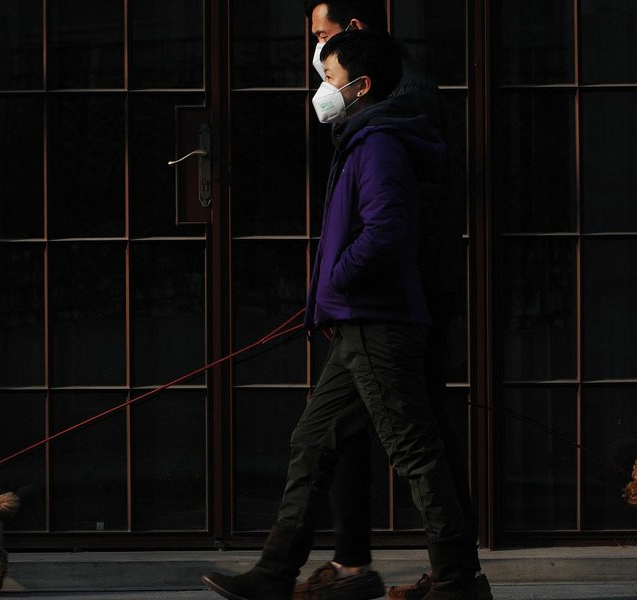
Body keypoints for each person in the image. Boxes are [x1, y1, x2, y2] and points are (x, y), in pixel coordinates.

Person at [201, 29, 480, 600]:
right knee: (313, 440)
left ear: (361, 86)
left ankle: (457, 579)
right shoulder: (363, 138)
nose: (322, 90)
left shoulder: (377, 143)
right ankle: (276, 573)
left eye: (328, 78)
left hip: (377, 322)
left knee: (413, 451)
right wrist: (329, 294)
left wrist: (334, 282)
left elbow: (384, 232)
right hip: (360, 321)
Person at [299, 4, 486, 600]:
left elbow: (390, 224)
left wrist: (342, 284)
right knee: (346, 434)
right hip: (385, 301)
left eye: (325, 40)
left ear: (356, 37)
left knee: (416, 439)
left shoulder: (392, 112)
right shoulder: (376, 113)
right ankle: (387, 565)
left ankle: (447, 570)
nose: (319, 58)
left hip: (396, 303)